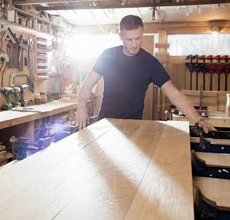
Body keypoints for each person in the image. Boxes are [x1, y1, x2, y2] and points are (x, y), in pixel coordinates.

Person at [75, 15, 216, 133]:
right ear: (121, 36)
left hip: (133, 127)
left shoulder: (150, 63)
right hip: (105, 124)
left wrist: (198, 119)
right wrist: (81, 107)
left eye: (138, 38)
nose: (134, 44)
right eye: (129, 39)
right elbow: (87, 85)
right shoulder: (108, 56)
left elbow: (174, 94)